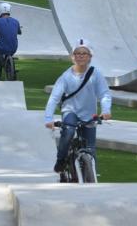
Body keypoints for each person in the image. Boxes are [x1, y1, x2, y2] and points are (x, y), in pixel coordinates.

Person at [45, 39, 112, 172]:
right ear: (72, 57)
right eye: (77, 53)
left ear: (90, 57)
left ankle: (91, 177)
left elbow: (104, 94)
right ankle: (61, 159)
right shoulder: (66, 76)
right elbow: (54, 98)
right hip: (71, 111)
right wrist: (48, 118)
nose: (80, 56)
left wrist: (106, 110)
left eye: (84, 53)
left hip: (89, 115)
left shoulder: (96, 74)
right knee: (69, 131)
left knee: (91, 149)